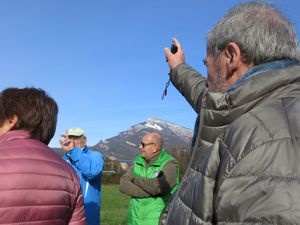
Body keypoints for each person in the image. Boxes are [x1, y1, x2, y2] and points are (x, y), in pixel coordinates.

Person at [160, 1, 300, 224]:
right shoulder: (258, 101)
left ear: (232, 56)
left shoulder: (264, 143)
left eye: (207, 65)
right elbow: (211, 101)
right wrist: (179, 68)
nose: (207, 80)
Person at [0, 87, 86, 225]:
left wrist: (73, 151)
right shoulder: (68, 172)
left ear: (11, 120)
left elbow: (91, 170)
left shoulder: (88, 159)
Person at [119, 132, 179, 225]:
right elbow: (123, 184)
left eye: (143, 144)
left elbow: (158, 187)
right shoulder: (138, 161)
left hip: (156, 220)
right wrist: (146, 193)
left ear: (154, 148)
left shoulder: (170, 163)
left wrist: (135, 179)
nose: (139, 147)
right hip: (134, 220)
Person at [60, 128, 104, 225]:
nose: (72, 141)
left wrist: (73, 151)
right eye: (70, 138)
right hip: (67, 211)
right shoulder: (64, 160)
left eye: (76, 138)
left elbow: (92, 172)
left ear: (84, 140)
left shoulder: (95, 156)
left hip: (87, 211)